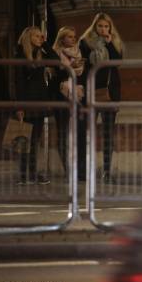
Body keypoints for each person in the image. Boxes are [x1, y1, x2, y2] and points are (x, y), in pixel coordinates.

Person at [79, 13, 124, 183]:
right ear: (94, 27)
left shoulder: (115, 42)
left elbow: (117, 62)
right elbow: (82, 68)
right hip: (91, 91)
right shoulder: (85, 43)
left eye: (106, 26)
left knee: (108, 133)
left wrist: (110, 43)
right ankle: (84, 171)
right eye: (100, 26)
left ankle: (106, 171)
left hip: (109, 92)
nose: (103, 29)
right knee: (85, 131)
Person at [14, 26, 57, 185]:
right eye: (37, 36)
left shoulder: (40, 52)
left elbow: (56, 61)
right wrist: (19, 106)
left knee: (35, 140)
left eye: (42, 36)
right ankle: (23, 175)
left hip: (41, 99)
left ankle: (32, 173)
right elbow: (18, 82)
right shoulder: (20, 55)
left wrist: (45, 45)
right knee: (25, 139)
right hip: (27, 100)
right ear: (29, 37)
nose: (41, 38)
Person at [52, 26, 85, 175]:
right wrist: (69, 67)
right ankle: (68, 169)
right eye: (70, 36)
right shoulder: (55, 54)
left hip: (77, 96)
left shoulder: (78, 52)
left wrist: (75, 67)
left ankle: (79, 168)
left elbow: (83, 75)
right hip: (61, 96)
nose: (73, 39)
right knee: (63, 132)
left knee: (78, 132)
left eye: (74, 36)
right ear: (62, 39)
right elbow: (56, 77)